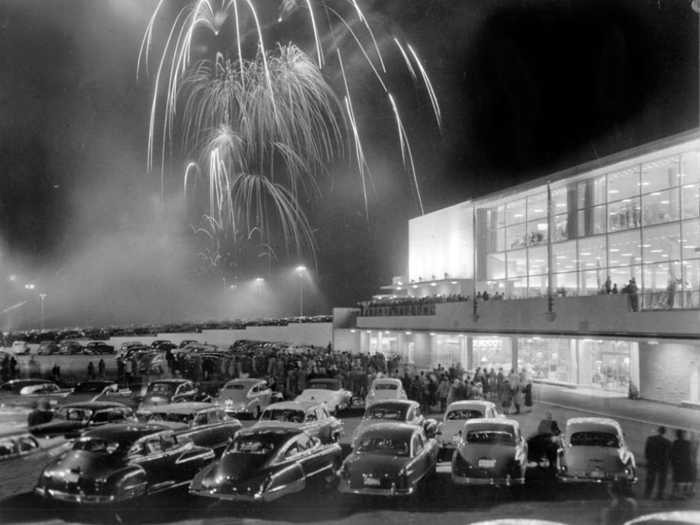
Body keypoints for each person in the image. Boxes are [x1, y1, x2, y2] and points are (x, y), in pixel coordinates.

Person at [644, 426, 671, 500]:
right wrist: (668, 463)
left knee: (650, 479)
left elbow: (647, 451)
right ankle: (660, 495)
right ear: (664, 432)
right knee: (661, 480)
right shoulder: (667, 442)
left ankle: (647, 494)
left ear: (658, 431)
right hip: (662, 463)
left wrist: (648, 459)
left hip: (652, 461)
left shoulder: (650, 439)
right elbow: (669, 455)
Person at [671, 429, 694, 499]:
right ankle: (682, 495)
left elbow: (673, 454)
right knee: (683, 480)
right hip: (685, 465)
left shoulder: (675, 442)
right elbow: (689, 455)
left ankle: (676, 494)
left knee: (677, 480)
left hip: (678, 464)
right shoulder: (687, 443)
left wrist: (672, 463)